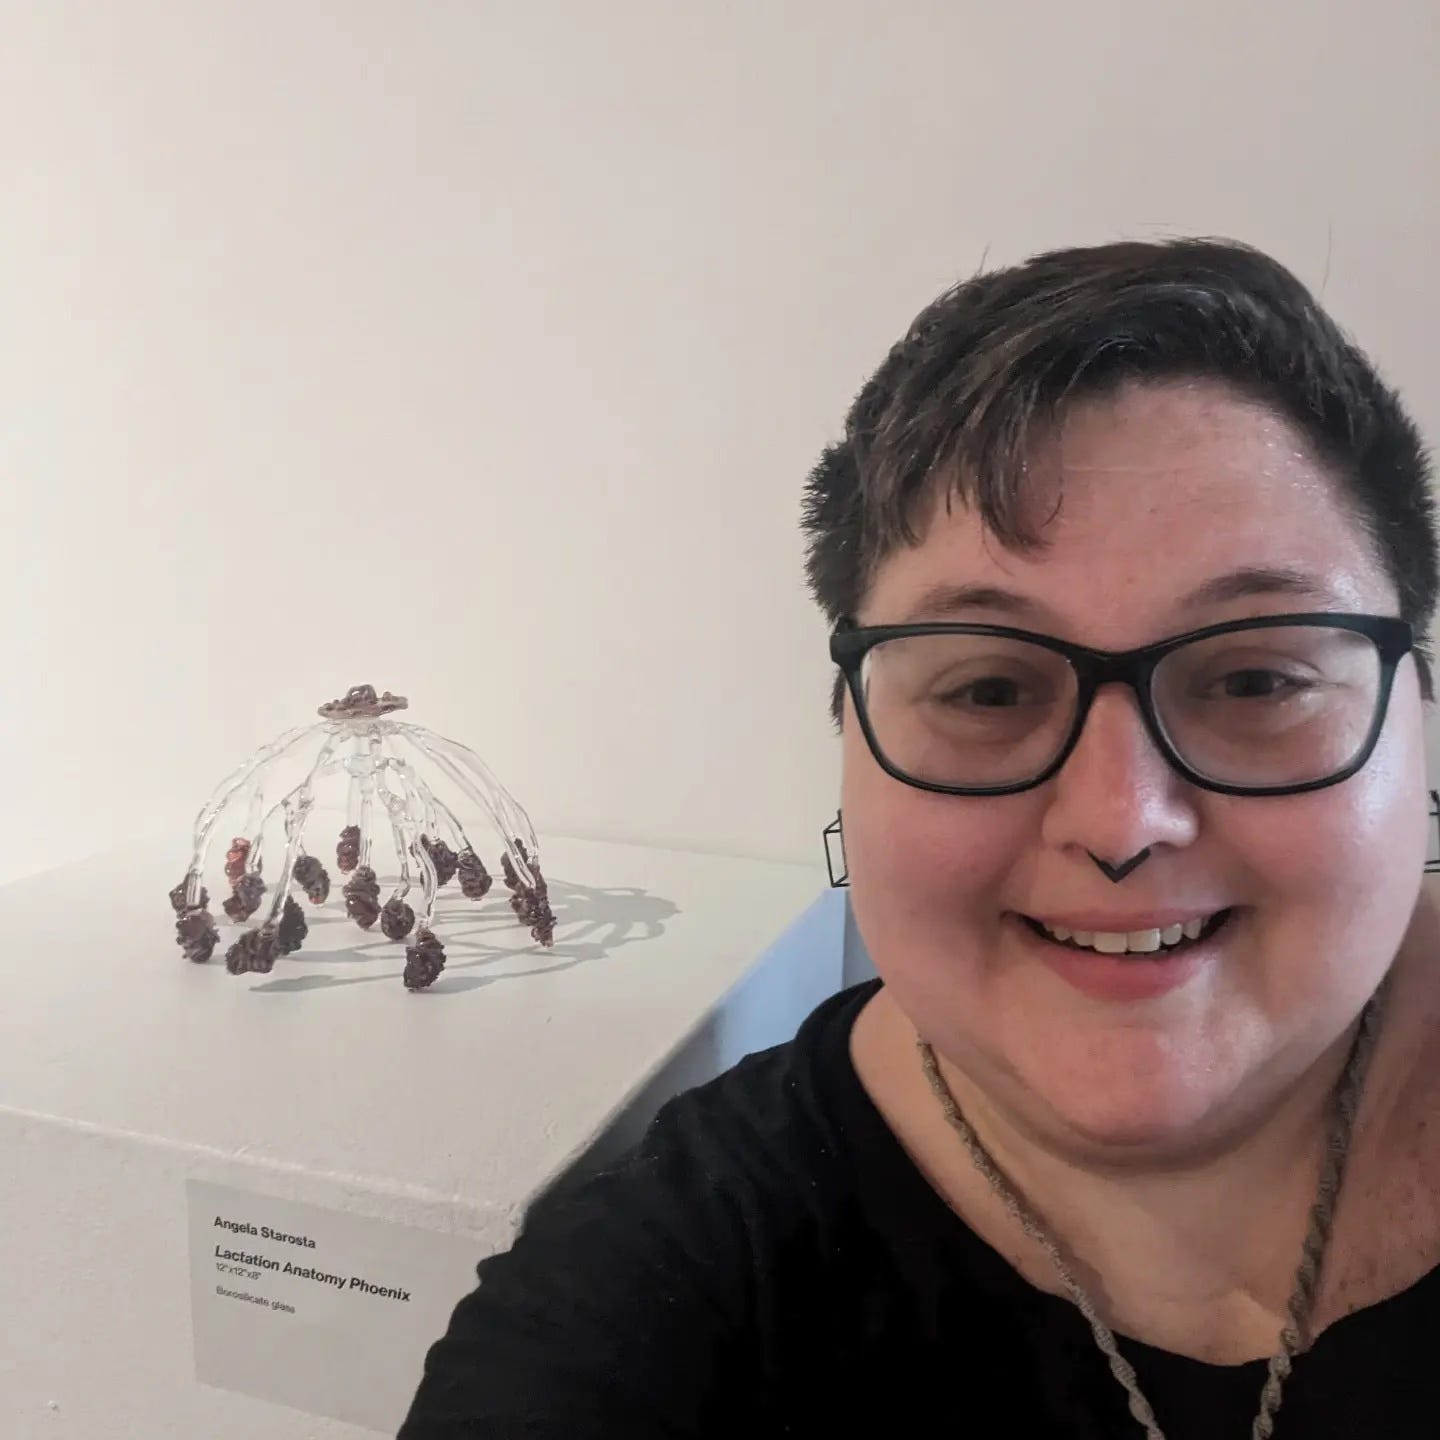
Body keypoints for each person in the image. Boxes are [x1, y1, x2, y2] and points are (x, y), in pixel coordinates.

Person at [398, 237, 1440, 1438]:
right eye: (990, 691)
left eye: (1255, 680)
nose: (1119, 822)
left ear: (1413, 704)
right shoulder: (662, 1300)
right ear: (849, 732)